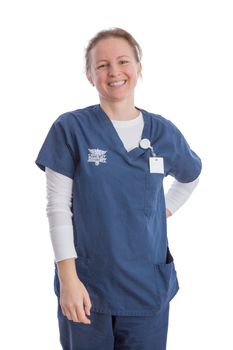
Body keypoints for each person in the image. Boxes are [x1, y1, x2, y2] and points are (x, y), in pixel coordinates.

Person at [35, 28, 202, 350]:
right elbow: (57, 207)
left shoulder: (163, 133)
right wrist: (69, 280)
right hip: (86, 287)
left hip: (146, 287)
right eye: (102, 65)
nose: (114, 72)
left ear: (139, 68)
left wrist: (166, 209)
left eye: (123, 61)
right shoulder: (70, 129)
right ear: (89, 75)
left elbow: (191, 175)